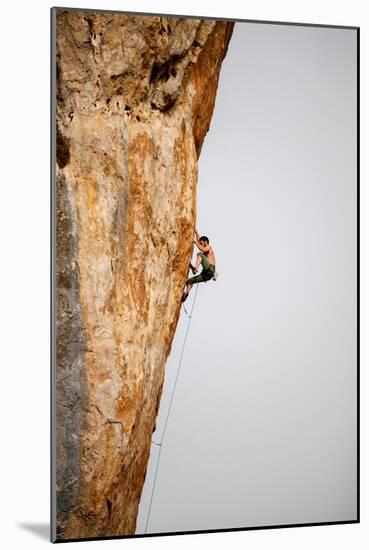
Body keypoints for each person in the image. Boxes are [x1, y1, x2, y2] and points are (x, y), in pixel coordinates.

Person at [182, 229, 217, 302]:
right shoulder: (203, 246)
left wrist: (195, 243)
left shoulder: (208, 247)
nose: (200, 244)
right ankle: (186, 293)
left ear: (206, 242)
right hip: (206, 276)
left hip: (210, 269)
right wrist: (196, 231)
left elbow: (203, 249)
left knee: (199, 254)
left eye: (201, 243)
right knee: (189, 281)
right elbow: (199, 240)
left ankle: (195, 269)